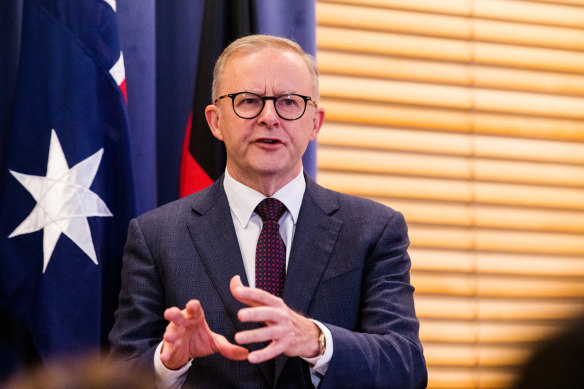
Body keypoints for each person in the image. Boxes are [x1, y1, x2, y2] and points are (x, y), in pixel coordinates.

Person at [108, 34, 427, 389]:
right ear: (215, 121)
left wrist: (317, 340)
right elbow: (116, 375)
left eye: (289, 102)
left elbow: (406, 366)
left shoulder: (374, 229)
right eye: (248, 101)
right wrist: (168, 364)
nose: (269, 117)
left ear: (315, 123)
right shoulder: (156, 236)